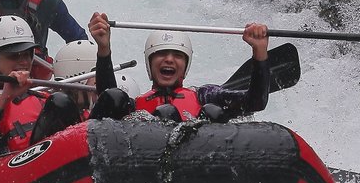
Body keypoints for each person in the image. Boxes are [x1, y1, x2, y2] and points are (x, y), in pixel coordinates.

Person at [88, 12, 271, 122]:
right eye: (160, 54)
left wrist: (259, 51)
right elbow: (107, 100)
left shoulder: (205, 96)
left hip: (198, 167)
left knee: (212, 112)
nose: (168, 59)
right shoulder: (135, 107)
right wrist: (104, 48)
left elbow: (255, 102)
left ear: (185, 67)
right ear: (149, 65)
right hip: (146, 165)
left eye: (177, 55)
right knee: (118, 97)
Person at [0, 15, 83, 158]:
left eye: (27, 54)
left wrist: (103, 53)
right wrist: (5, 98)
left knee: (106, 97)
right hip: (12, 169)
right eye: (14, 55)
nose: (23, 62)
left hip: (53, 162)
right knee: (60, 101)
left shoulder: (44, 97)